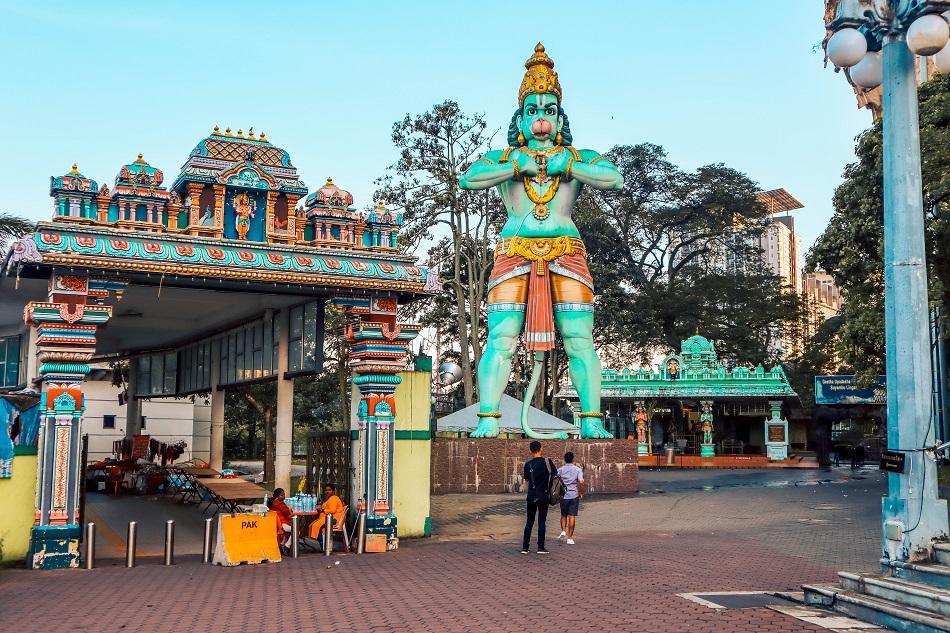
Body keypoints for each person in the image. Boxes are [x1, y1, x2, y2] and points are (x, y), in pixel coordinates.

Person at [522, 440, 555, 555]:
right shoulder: (547, 462)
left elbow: (527, 479)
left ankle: (525, 548)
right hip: (543, 496)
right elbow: (555, 477)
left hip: (531, 496)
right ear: (541, 449)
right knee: (541, 521)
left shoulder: (528, 464)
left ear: (531, 451)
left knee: (529, 521)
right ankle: (540, 547)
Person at [556, 452, 584, 545]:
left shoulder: (560, 470)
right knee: (572, 516)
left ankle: (563, 531)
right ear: (573, 459)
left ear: (564, 459)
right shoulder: (578, 470)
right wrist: (581, 492)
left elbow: (555, 478)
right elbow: (581, 481)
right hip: (574, 495)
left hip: (563, 496)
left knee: (563, 515)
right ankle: (570, 538)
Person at [308, 483, 345, 550]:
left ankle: (320, 545)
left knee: (317, 526)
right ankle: (315, 544)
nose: (327, 491)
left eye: (329, 490)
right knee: (313, 525)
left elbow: (332, 510)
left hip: (334, 519)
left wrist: (323, 510)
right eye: (326, 490)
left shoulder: (334, 498)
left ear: (333, 491)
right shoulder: (330, 498)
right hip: (329, 517)